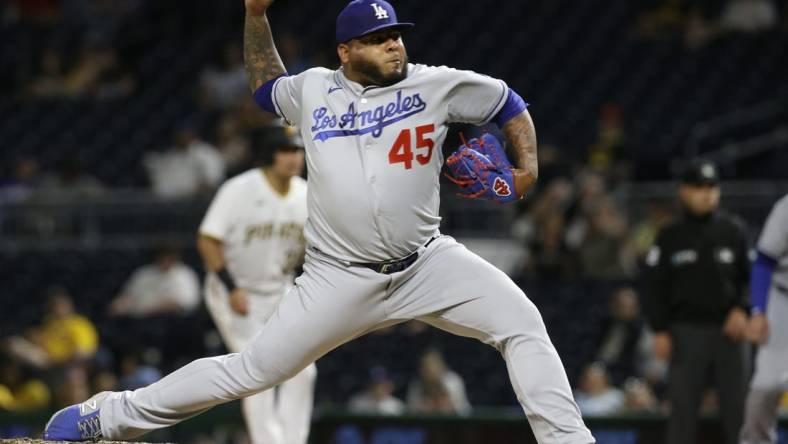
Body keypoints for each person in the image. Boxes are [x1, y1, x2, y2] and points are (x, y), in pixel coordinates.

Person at [44, 1, 595, 442]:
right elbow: (264, 87)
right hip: (338, 276)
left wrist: (527, 169)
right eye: (379, 39)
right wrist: (256, 17)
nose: (394, 44)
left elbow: (507, 101)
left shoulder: (436, 83)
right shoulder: (312, 89)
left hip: (427, 261)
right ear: (346, 49)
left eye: (397, 35)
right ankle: (110, 416)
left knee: (523, 323)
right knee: (253, 371)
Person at [198, 124, 316, 444]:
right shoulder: (239, 189)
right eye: (285, 150)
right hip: (235, 291)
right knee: (257, 370)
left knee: (304, 370)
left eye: (297, 151)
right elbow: (208, 240)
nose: (293, 157)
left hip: (280, 290)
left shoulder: (306, 194)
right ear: (268, 154)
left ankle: (292, 440)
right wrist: (230, 285)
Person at [643, 160, 750, 444]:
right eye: (699, 187)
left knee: (739, 411)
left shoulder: (734, 231)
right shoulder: (669, 236)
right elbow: (653, 286)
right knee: (682, 413)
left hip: (730, 334)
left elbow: (752, 279)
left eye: (712, 187)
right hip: (685, 333)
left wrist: (743, 308)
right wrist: (660, 329)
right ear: (684, 191)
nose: (706, 193)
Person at [740, 193, 788, 444]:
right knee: (766, 385)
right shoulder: (786, 208)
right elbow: (763, 262)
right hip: (782, 299)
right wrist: (758, 311)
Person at [108, 245, 201, 318]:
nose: (165, 261)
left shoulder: (185, 275)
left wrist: (150, 309)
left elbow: (184, 304)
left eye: (169, 257)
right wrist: (119, 306)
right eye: (162, 256)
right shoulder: (144, 273)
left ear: (176, 258)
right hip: (139, 320)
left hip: (170, 323)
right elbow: (127, 297)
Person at [406, 349, 471, 415]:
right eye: (425, 367)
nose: (428, 370)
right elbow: (411, 410)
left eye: (432, 366)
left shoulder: (452, 381)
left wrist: (446, 405)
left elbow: (463, 409)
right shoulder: (417, 385)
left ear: (440, 366)